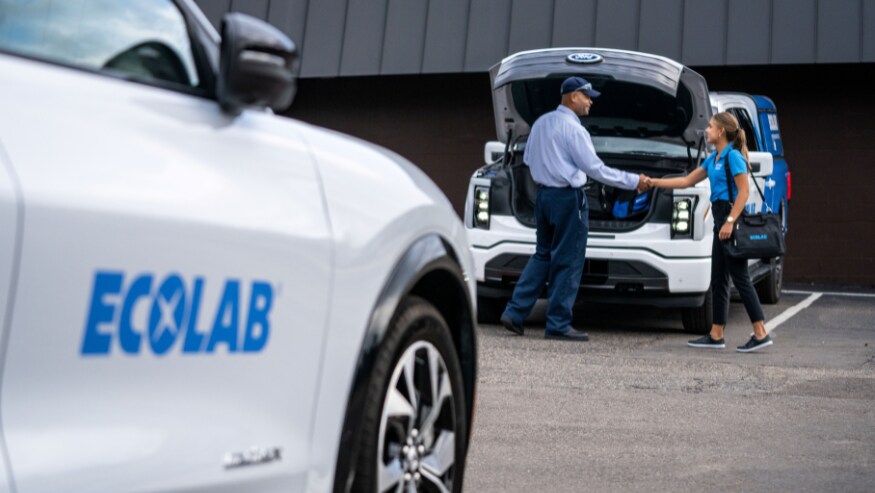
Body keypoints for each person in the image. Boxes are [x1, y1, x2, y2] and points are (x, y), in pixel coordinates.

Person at [500, 76, 650, 341]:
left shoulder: (541, 123)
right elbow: (595, 169)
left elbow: (530, 159)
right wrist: (633, 181)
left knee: (542, 255)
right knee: (567, 261)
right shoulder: (574, 130)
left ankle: (514, 312)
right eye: (586, 96)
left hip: (543, 197)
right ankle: (557, 324)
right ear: (571, 96)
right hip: (568, 200)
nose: (590, 102)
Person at [648, 112, 773, 353]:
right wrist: (653, 182)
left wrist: (729, 221)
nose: (706, 130)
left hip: (729, 221)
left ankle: (760, 332)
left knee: (741, 278)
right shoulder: (714, 158)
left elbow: (744, 192)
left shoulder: (733, 157)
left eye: (710, 126)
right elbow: (686, 182)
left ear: (721, 132)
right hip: (720, 220)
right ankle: (716, 334)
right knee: (718, 280)